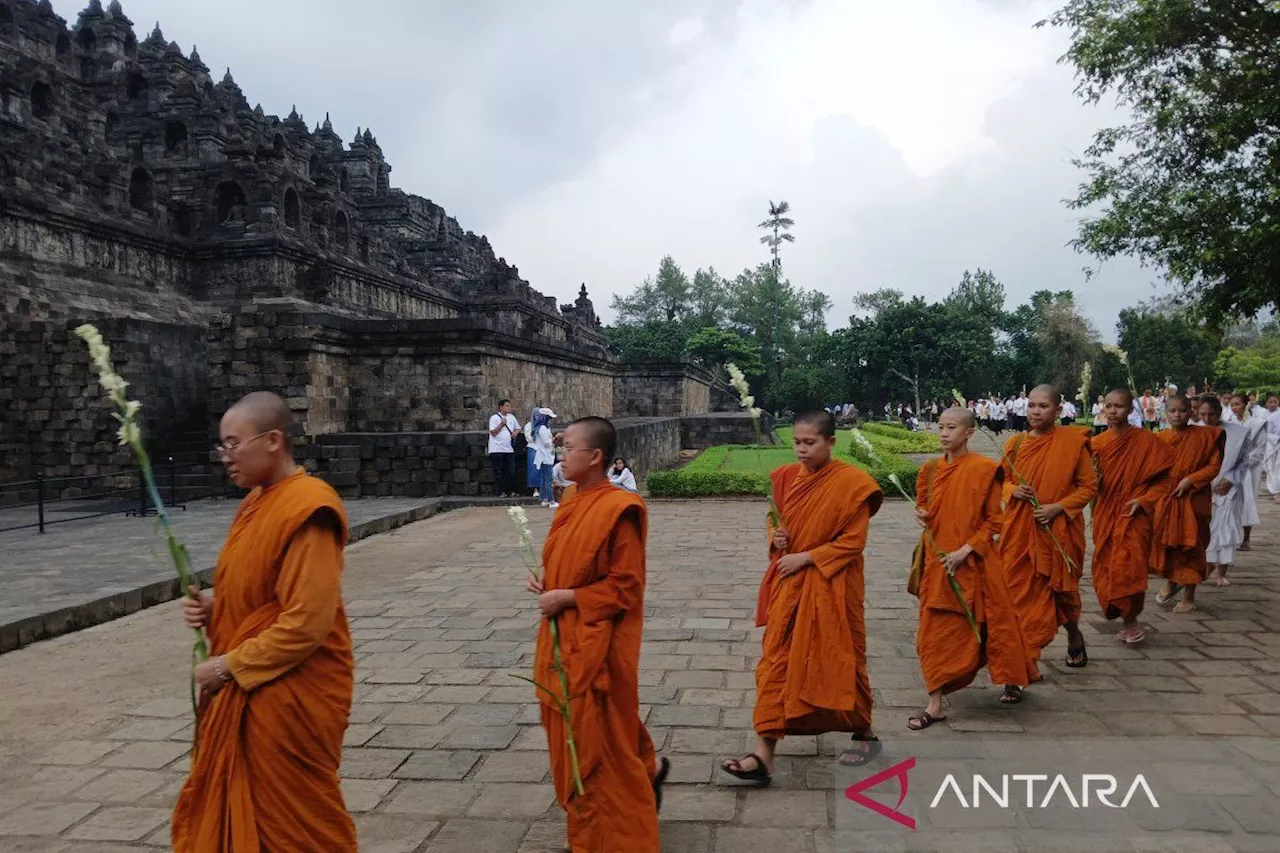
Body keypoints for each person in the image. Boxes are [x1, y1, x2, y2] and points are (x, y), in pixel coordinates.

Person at [172, 392, 356, 852]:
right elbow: (265, 593)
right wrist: (218, 608)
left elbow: (307, 622)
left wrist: (228, 666)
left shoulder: (309, 507)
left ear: (273, 440)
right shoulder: (257, 501)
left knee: (296, 830)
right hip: (257, 689)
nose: (225, 458)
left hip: (285, 696)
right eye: (221, 447)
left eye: (233, 444)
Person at [525, 417, 666, 851]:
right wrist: (550, 580)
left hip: (597, 644)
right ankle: (643, 774)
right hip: (562, 637)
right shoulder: (570, 498)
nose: (561, 453)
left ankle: (607, 834)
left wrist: (567, 597)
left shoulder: (619, 508)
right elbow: (574, 558)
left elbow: (625, 587)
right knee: (597, 731)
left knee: (597, 741)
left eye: (568, 447)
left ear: (595, 456)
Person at [722, 410, 884, 782]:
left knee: (842, 659)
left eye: (810, 443)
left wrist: (807, 557)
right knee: (776, 661)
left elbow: (853, 543)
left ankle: (864, 730)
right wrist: (776, 538)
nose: (801, 450)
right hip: (789, 587)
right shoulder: (782, 479)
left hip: (833, 586)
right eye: (797, 442)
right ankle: (764, 753)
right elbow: (774, 519)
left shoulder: (852, 484)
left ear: (830, 443)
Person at [909, 407, 1036, 725]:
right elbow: (925, 506)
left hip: (976, 561)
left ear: (969, 432)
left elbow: (995, 520)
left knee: (996, 623)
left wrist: (966, 551)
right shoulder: (930, 469)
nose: (943, 433)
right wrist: (922, 515)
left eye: (951, 427)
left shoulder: (984, 469)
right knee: (934, 631)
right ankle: (935, 703)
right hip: (939, 563)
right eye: (940, 427)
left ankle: (1011, 677)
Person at [999, 385, 1097, 673]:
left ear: (1057, 410)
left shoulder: (1072, 442)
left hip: (1059, 533)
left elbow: (1089, 486)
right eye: (1031, 405)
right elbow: (998, 481)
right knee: (1018, 596)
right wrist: (1011, 491)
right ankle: (1020, 669)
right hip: (1019, 533)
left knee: (1061, 594)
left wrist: (1059, 507)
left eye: (1043, 406)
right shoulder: (1015, 444)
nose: (1035, 411)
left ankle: (1074, 635)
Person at [1089, 388, 1172, 646]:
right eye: (1109, 406)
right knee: (1106, 565)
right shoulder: (1096, 444)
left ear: (1131, 409)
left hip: (1134, 514)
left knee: (1131, 566)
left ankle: (1131, 621)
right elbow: (1087, 483)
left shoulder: (1146, 441)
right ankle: (1122, 612)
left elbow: (1165, 480)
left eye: (1119, 406)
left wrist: (1145, 500)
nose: (1113, 411)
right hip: (1106, 513)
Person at [1150, 394, 1223, 613]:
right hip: (1169, 497)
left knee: (1193, 544)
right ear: (1165, 413)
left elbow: (1214, 466)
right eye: (1172, 411)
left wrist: (1190, 480)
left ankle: (1189, 596)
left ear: (1191, 412)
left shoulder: (1206, 435)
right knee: (1171, 544)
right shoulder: (1160, 438)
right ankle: (1173, 582)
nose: (1178, 415)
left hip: (1194, 498)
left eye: (1182, 410)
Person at [1202, 396, 1248, 586]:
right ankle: (1206, 565)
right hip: (1203, 488)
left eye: (1211, 414)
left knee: (1226, 529)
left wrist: (1231, 479)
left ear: (1219, 413)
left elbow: (1244, 461)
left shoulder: (1238, 432)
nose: (1206, 418)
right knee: (1206, 530)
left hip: (1227, 489)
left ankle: (1222, 572)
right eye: (1203, 414)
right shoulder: (1194, 431)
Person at [1232, 393, 1267, 551]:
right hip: (1231, 468)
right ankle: (1231, 537)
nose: (1234, 408)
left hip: (1249, 469)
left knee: (1248, 500)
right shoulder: (1229, 423)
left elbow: (1260, 449)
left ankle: (1246, 538)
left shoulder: (1257, 424)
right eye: (1232, 405)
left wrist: (1244, 462)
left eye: (1237, 404)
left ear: (1245, 404)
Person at [487, 399, 522, 497]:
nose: (509, 408)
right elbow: (493, 432)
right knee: (499, 471)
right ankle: (501, 491)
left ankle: (511, 490)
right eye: (506, 406)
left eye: (509, 406)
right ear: (501, 407)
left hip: (508, 449)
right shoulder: (494, 418)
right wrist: (501, 424)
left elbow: (518, 427)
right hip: (496, 449)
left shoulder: (511, 417)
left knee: (510, 471)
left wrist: (516, 432)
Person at [530, 407, 559, 508]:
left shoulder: (544, 428)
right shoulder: (542, 428)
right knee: (548, 479)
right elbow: (546, 443)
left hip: (546, 455)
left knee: (544, 478)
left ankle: (544, 499)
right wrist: (555, 438)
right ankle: (550, 500)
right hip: (545, 456)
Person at [1265, 393, 1280, 504]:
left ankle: (1277, 490)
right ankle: (1275, 491)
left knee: (1278, 467)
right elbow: (1264, 432)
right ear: (1267, 403)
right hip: (1269, 444)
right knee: (1270, 468)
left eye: (1275, 402)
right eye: (1270, 402)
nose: (1273, 404)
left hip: (1279, 444)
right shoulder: (1263, 415)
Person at [524, 406, 540, 498]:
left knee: (543, 469)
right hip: (533, 448)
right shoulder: (529, 425)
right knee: (533, 469)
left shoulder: (544, 426)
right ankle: (535, 489)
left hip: (542, 449)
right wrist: (535, 434)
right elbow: (528, 438)